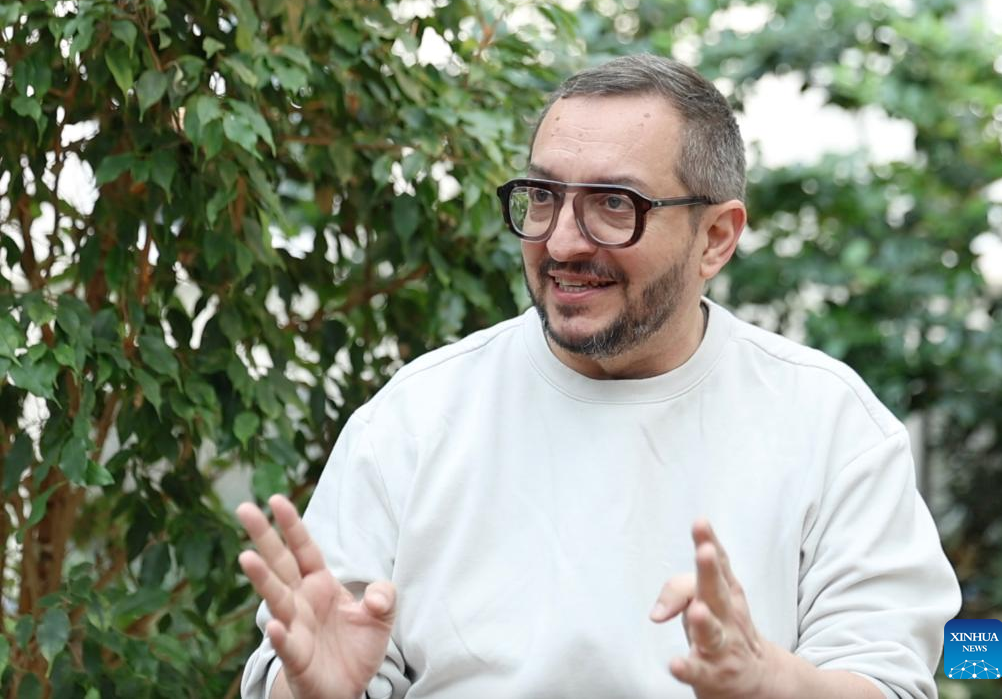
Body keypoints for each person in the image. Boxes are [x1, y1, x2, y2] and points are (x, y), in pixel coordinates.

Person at [237, 54, 961, 699]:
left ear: (715, 238)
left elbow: (888, 677)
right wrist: (312, 693)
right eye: (543, 195)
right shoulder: (416, 416)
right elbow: (318, 658)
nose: (561, 242)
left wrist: (770, 684)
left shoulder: (829, 424)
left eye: (615, 204)